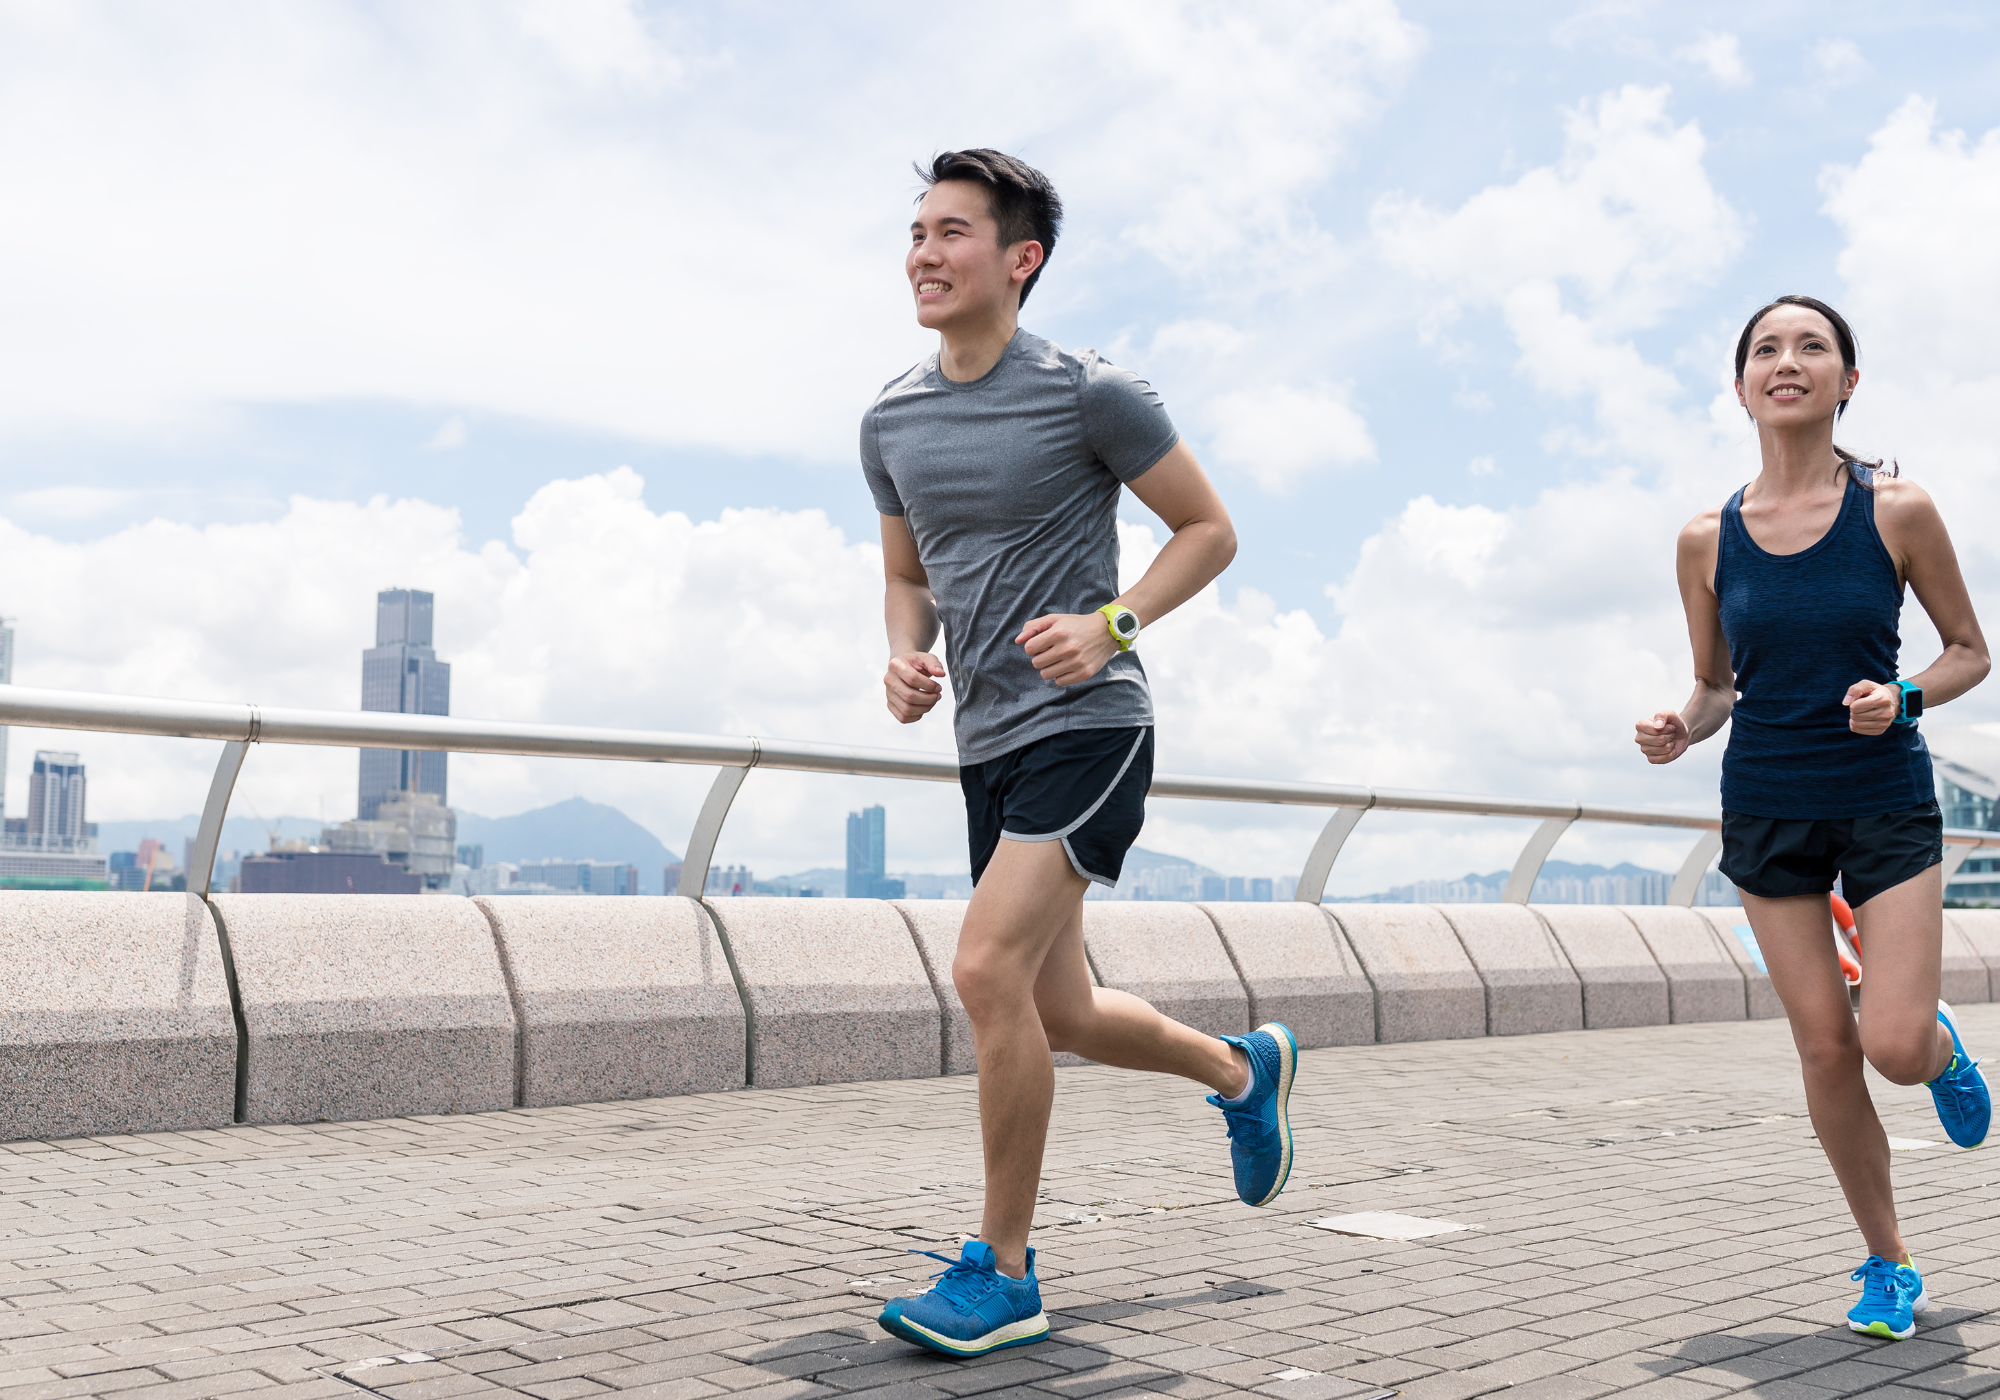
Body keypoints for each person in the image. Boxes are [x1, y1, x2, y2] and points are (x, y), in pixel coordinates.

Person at [860, 149, 1297, 1359]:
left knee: (985, 969)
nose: (923, 254)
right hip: (986, 738)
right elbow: (908, 574)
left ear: (1019, 258)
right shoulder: (889, 416)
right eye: (915, 232)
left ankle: (1002, 1270)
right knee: (1054, 1008)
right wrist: (905, 654)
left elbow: (1206, 530)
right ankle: (1240, 1070)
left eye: (952, 232)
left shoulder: (1091, 392)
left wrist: (1112, 623)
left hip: (1091, 725)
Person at [1636, 294, 1991, 1342]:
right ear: (1740, 383)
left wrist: (1905, 696)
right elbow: (1713, 686)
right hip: (1765, 805)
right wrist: (1678, 725)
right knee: (1825, 1050)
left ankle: (1934, 1049)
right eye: (1764, 349)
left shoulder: (1894, 509)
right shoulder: (1704, 538)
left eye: (1810, 347)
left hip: (1880, 797)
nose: (1784, 361)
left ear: (1845, 381)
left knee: (1885, 1040)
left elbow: (1968, 648)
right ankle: (1888, 1262)